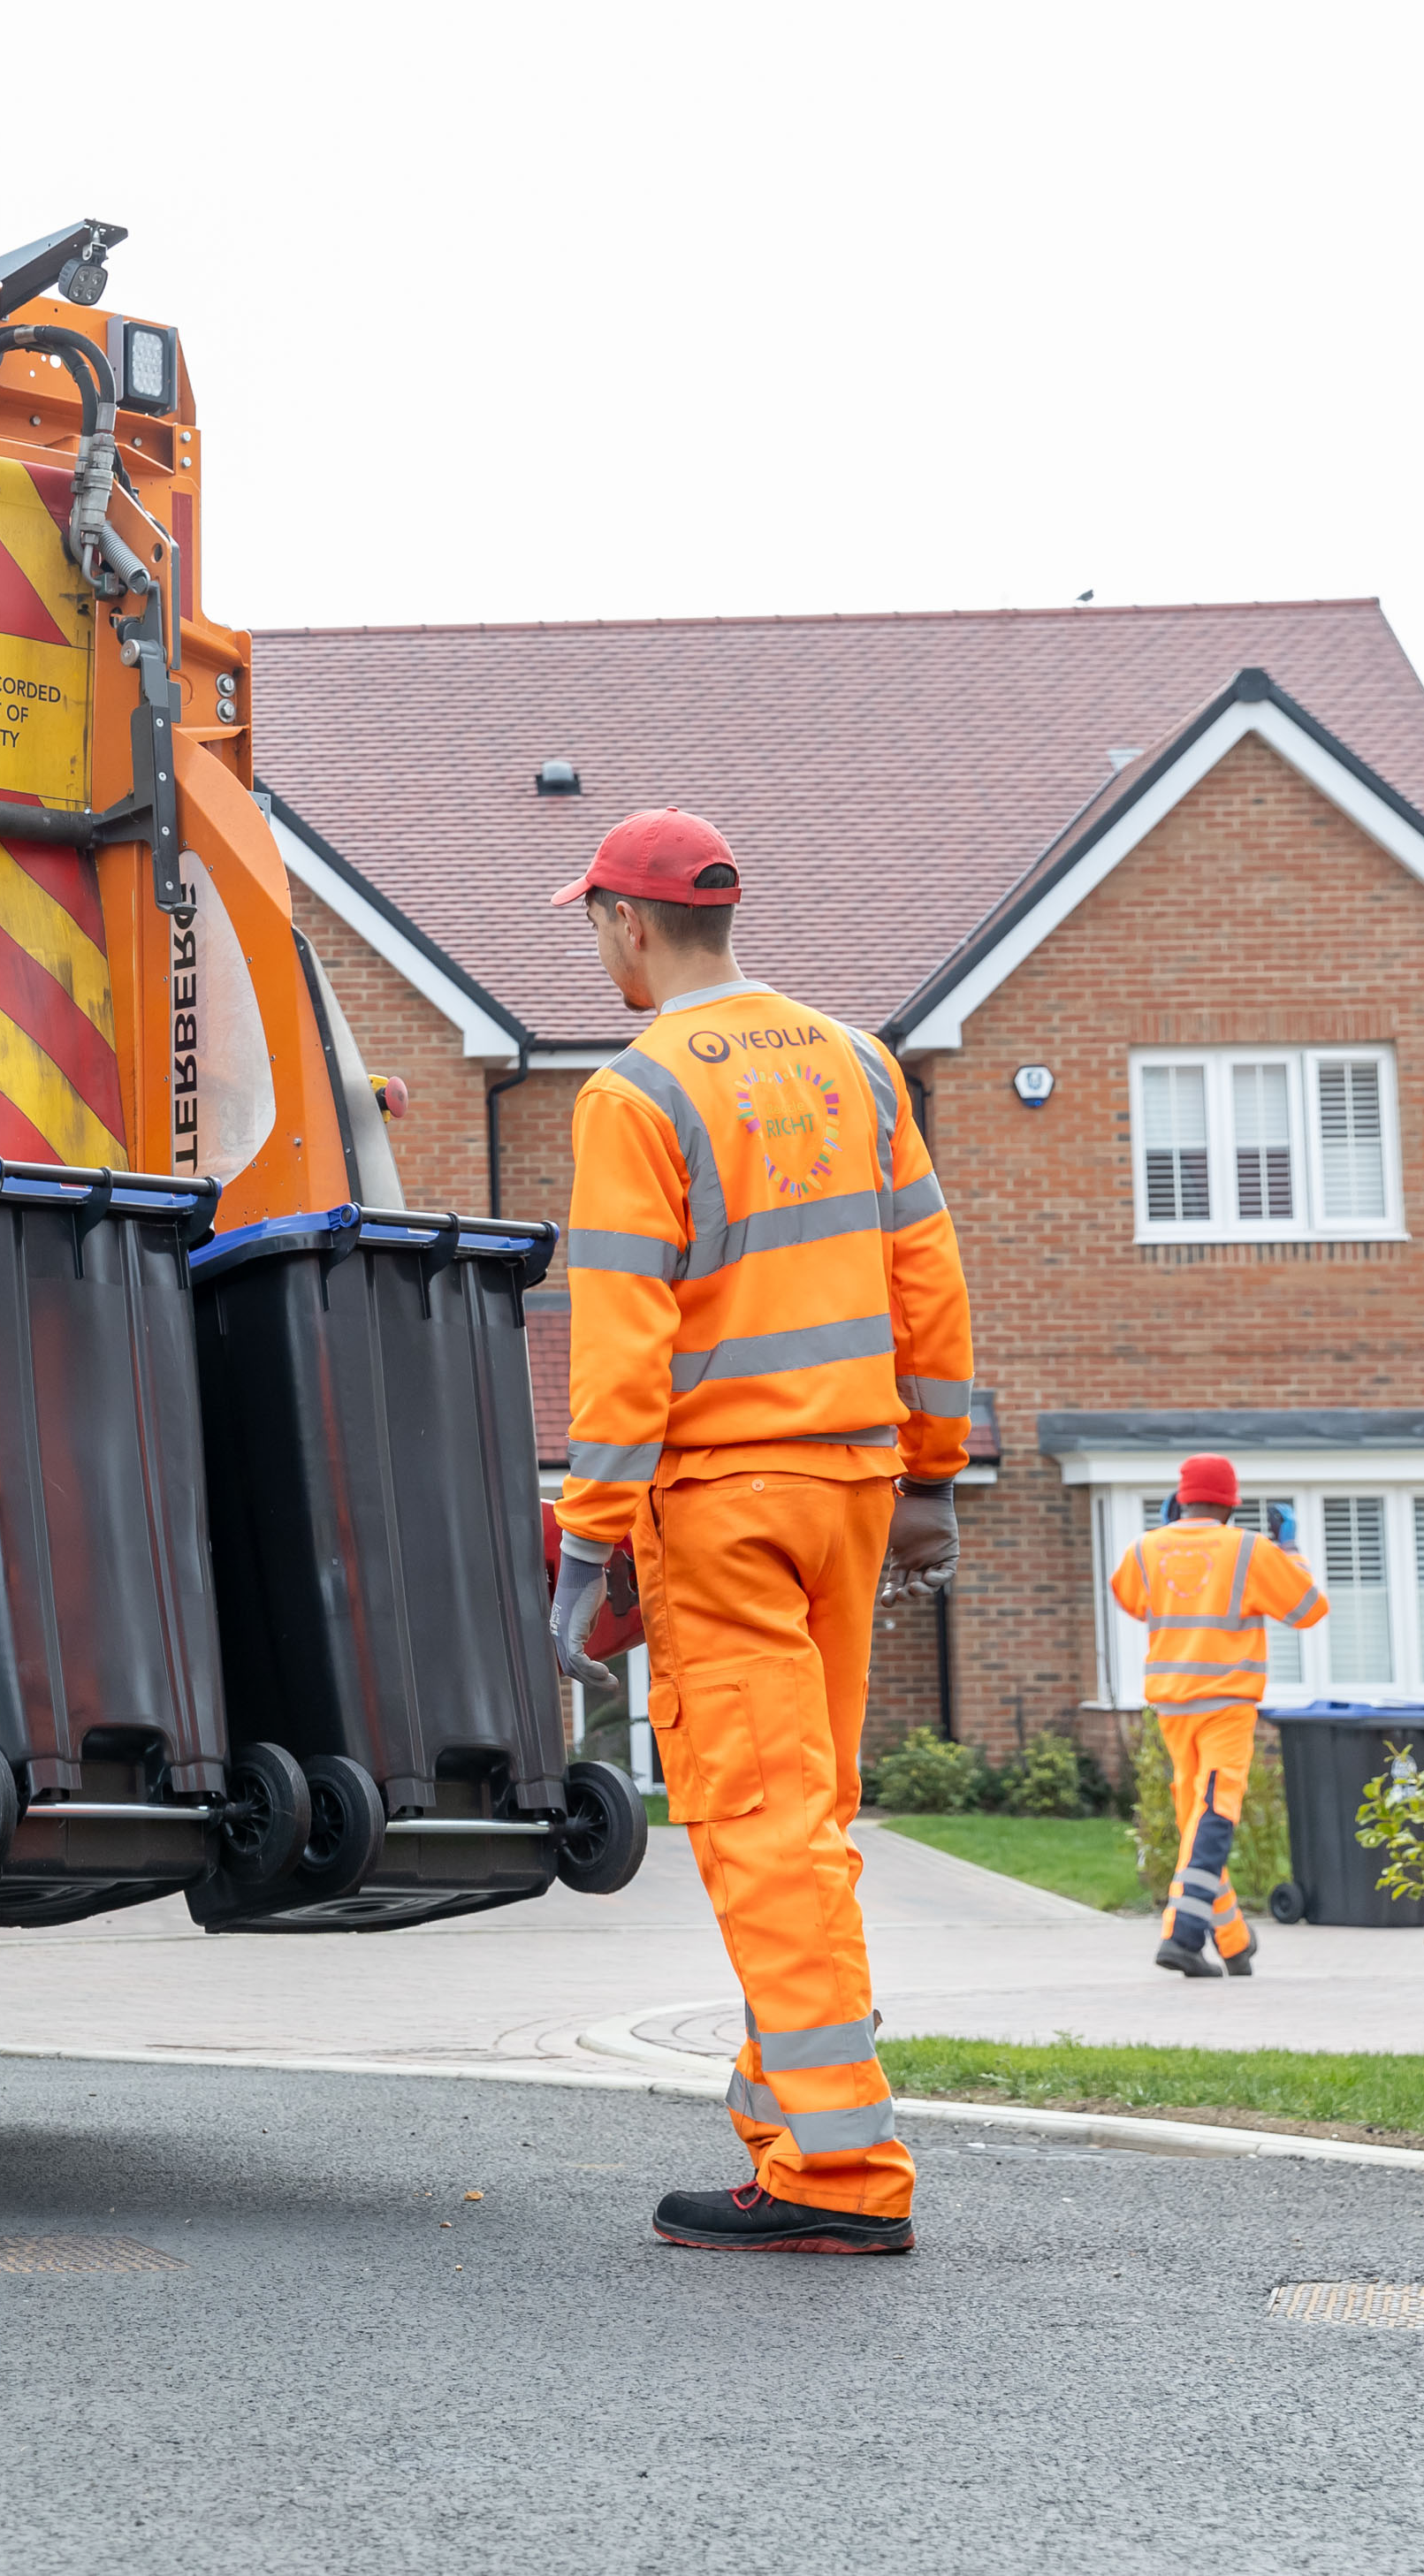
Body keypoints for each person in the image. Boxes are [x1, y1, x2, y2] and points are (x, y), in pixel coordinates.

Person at [544, 808, 976, 2255]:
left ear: (626, 922)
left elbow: (622, 1338)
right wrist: (934, 1471)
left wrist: (587, 1539)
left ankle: (839, 2174)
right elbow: (929, 1276)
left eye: (589, 921)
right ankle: (788, 2126)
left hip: (726, 1503)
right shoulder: (858, 1062)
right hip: (851, 1488)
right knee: (810, 1816)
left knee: (762, 1821)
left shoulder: (637, 1090)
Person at [1105, 1454, 1326, 1979]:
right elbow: (1308, 1608)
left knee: (1194, 1822)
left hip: (1171, 1705)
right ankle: (1181, 1936)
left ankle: (1232, 1941)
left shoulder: (1145, 1547)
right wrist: (1289, 1549)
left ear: (1179, 1500)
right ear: (1232, 1504)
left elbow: (1132, 1601)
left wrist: (1167, 1543)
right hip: (1226, 1704)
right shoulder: (1250, 1549)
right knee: (1214, 1816)